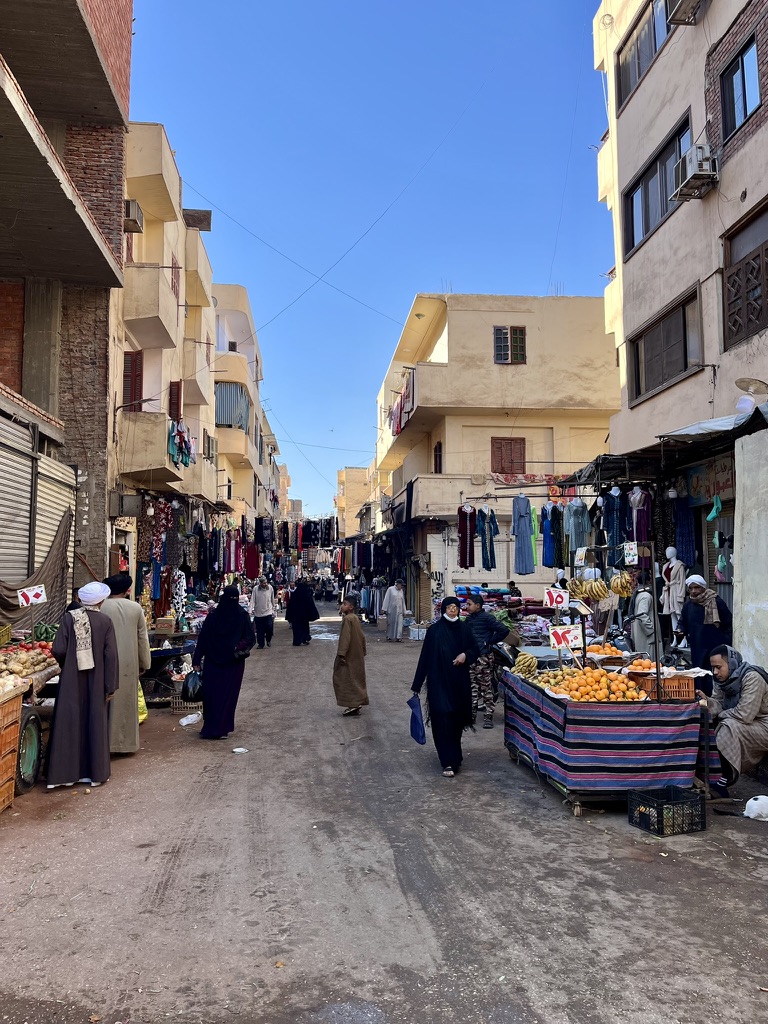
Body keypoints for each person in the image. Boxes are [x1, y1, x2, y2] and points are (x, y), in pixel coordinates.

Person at [46, 581, 119, 789]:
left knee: (68, 723)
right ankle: (94, 775)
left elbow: (58, 649)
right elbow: (111, 656)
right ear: (101, 601)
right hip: (96, 683)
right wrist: (110, 685)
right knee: (95, 722)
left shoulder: (69, 618)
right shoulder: (105, 621)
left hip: (71, 681)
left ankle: (64, 776)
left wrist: (68, 665)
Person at [411, 597, 479, 778]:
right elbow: (425, 657)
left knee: (455, 720)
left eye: (455, 607)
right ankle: (447, 762)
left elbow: (475, 649)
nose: (452, 610)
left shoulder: (465, 629)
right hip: (438, 682)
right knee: (441, 718)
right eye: (449, 607)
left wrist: (465, 655)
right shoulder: (434, 631)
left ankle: (455, 757)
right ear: (443, 610)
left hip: (458, 683)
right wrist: (417, 684)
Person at [699, 646, 768, 797]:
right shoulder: (721, 680)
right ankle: (711, 776)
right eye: (713, 668)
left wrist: (721, 713)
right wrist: (707, 702)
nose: (715, 672)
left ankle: (724, 780)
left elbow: (745, 715)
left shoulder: (752, 678)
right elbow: (718, 703)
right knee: (708, 722)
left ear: (731, 664)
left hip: (764, 724)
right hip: (743, 722)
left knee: (728, 726)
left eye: (718, 667)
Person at [192, 585, 255, 739]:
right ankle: (222, 728)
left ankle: (212, 728)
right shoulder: (241, 615)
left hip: (213, 661)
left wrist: (197, 659)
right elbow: (250, 638)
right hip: (233, 663)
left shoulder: (213, 616)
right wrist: (236, 648)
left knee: (212, 695)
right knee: (227, 695)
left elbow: (203, 639)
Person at [100, 573, 151, 754]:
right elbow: (142, 638)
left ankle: (104, 744)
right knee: (127, 702)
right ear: (127, 590)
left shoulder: (101, 606)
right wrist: (144, 662)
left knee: (105, 701)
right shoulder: (135, 608)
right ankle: (126, 744)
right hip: (129, 661)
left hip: (104, 660)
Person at [676, 575, 733, 685]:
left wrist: (726, 642)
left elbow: (728, 622)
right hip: (698, 646)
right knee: (698, 673)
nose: (694, 591)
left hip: (715, 646)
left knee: (715, 674)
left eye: (697, 587)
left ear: (703, 587)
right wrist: (680, 631)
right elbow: (683, 622)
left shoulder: (716, 601)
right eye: (691, 588)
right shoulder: (688, 605)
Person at [465, 595, 509, 728]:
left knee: (486, 687)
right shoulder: (468, 619)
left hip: (483, 657)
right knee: (471, 687)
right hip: (471, 657)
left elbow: (504, 630)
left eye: (469, 604)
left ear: (478, 605)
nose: (467, 607)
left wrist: (489, 641)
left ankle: (488, 716)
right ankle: (471, 716)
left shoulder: (487, 618)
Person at [333, 595, 369, 716]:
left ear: (351, 607)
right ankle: (356, 702)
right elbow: (362, 636)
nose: (342, 606)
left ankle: (353, 703)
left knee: (345, 678)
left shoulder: (348, 619)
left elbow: (345, 638)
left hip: (349, 654)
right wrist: (363, 650)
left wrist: (341, 654)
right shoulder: (355, 618)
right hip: (356, 653)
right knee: (356, 677)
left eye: (345, 604)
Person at [625, 571, 658, 662]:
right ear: (648, 581)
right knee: (648, 662)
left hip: (641, 633)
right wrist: (651, 631)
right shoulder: (646, 596)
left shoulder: (639, 594)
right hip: (646, 636)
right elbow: (642, 615)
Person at [285, 578, 320, 646]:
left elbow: (290, 606)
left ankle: (297, 641)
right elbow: (311, 605)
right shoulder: (306, 595)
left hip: (296, 617)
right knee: (304, 628)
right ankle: (304, 639)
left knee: (296, 629)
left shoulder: (294, 595)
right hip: (304, 616)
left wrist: (289, 616)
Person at [249, 576, 276, 649]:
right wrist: (250, 611)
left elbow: (272, 599)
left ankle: (268, 640)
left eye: (266, 583)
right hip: (258, 613)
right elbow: (252, 600)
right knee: (260, 630)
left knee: (269, 627)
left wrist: (274, 609)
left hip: (268, 612)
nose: (265, 584)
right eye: (263, 583)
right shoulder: (255, 589)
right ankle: (261, 644)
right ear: (260, 583)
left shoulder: (270, 588)